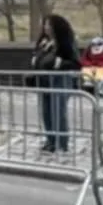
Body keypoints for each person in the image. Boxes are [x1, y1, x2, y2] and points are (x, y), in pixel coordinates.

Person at [31, 15, 81, 154]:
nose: (46, 28)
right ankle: (51, 140)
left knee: (58, 112)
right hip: (44, 81)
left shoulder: (66, 42)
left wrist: (60, 64)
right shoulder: (44, 43)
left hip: (60, 81)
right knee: (46, 112)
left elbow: (76, 63)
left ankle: (62, 143)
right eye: (45, 25)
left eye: (49, 25)